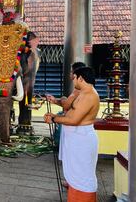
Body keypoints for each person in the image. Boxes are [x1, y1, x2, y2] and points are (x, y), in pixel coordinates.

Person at [44, 67, 100, 202]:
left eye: (74, 77)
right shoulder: (82, 92)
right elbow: (69, 108)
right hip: (76, 139)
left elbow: (74, 120)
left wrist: (54, 119)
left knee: (81, 175)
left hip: (82, 139)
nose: (73, 79)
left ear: (81, 78)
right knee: (74, 174)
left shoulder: (89, 95)